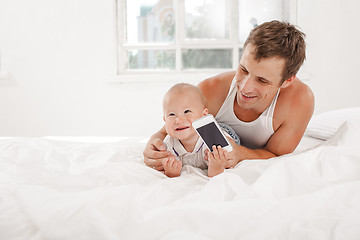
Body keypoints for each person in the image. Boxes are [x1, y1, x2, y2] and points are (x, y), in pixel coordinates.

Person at [144, 20, 314, 170]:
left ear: (287, 80)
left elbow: (277, 155)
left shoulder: (299, 101)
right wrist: (155, 142)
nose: (245, 88)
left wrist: (240, 153)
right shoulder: (212, 89)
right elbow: (171, 126)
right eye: (243, 70)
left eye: (262, 80)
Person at [160, 83, 239, 178]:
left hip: (227, 132)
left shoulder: (211, 142)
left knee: (226, 153)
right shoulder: (169, 144)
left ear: (204, 115)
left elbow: (217, 176)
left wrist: (216, 166)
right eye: (172, 114)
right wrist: (171, 171)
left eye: (187, 111)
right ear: (164, 120)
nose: (178, 120)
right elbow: (169, 172)